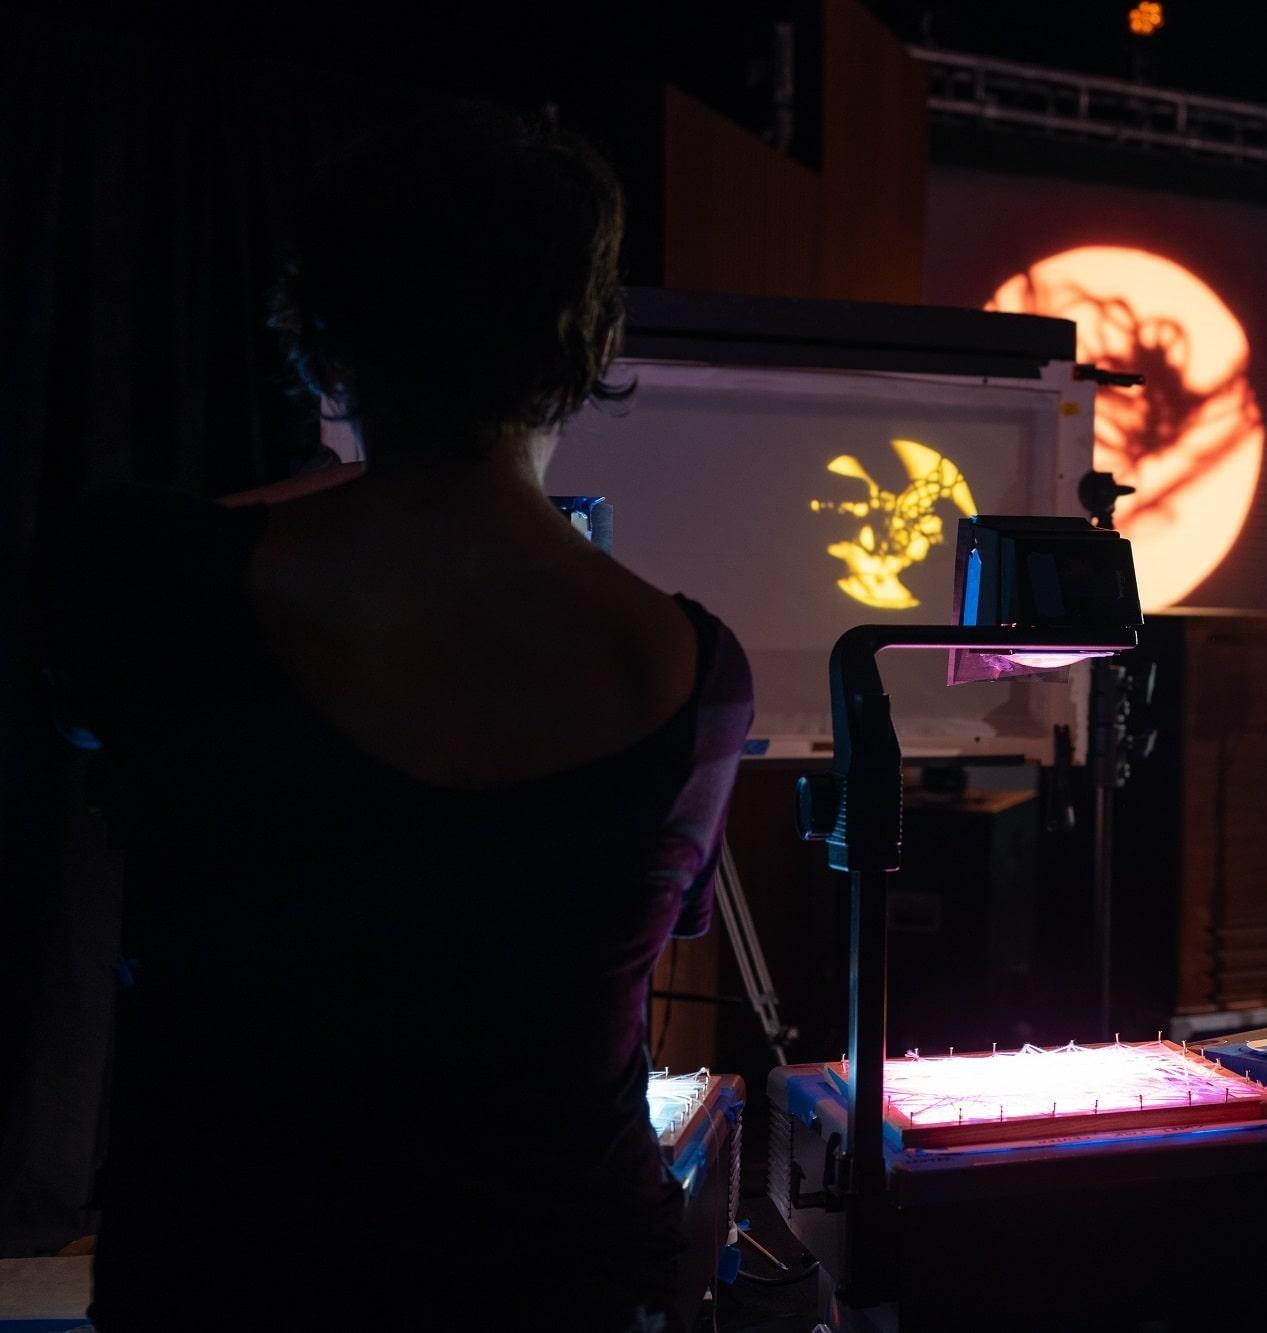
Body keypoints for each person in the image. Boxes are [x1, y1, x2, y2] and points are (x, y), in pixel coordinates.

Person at [38, 106, 751, 1330]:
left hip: (227, 1278)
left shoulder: (151, 581)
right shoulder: (691, 670)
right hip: (558, 1280)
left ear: (320, 333)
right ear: (589, 336)